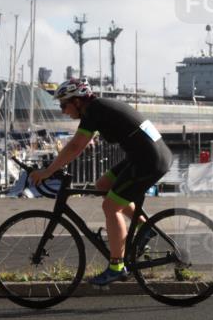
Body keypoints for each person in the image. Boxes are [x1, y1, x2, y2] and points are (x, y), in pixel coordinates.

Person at [29, 78, 172, 285]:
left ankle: (116, 267)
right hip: (144, 156)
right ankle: (145, 228)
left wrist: (48, 171)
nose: (62, 110)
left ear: (77, 101)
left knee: (111, 207)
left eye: (63, 104)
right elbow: (77, 147)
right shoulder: (98, 108)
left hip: (149, 160)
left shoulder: (93, 111)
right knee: (103, 185)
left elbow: (76, 146)